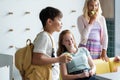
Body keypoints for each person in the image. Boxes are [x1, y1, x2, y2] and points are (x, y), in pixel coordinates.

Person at [32, 7, 72, 80]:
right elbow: (36, 59)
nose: (61, 23)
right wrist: (59, 59)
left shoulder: (49, 36)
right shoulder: (44, 36)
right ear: (49, 21)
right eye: (59, 20)